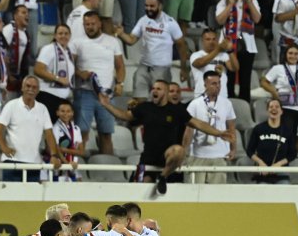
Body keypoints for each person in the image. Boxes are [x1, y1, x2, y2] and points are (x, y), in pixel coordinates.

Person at [99, 79, 234, 194]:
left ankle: (163, 177)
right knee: (141, 189)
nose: (154, 91)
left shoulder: (176, 110)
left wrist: (219, 133)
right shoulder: (145, 107)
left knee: (179, 151)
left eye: (158, 89)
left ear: (165, 92)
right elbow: (124, 115)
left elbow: (197, 123)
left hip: (167, 157)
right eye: (153, 88)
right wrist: (106, 105)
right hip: (149, 157)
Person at [115, 0, 190, 102]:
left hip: (162, 69)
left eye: (152, 6)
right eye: (146, 5)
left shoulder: (170, 23)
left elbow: (181, 45)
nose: (148, 8)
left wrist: (184, 68)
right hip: (144, 66)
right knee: (138, 102)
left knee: (160, 103)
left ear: (160, 5)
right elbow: (131, 40)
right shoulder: (143, 20)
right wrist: (121, 34)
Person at [73, 11, 125, 155]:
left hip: (106, 94)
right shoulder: (77, 42)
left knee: (106, 133)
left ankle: (107, 169)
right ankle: (78, 169)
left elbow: (120, 66)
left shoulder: (112, 41)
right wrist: (80, 73)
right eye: (86, 24)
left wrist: (120, 83)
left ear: (100, 23)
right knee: (81, 134)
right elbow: (70, 65)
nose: (90, 27)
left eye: (92, 24)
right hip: (84, 92)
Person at [0, 75, 58, 182]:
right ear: (22, 88)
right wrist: (3, 147)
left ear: (38, 90)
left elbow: (49, 134)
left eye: (34, 87)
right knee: (11, 196)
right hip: (12, 161)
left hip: (34, 163)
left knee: (31, 198)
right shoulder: (11, 105)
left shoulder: (42, 109)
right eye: (28, 86)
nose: (31, 89)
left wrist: (54, 155)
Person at [182, 71, 237, 184]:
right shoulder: (195, 104)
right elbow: (189, 130)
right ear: (205, 85)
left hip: (219, 154)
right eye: (213, 83)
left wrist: (233, 148)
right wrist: (184, 152)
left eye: (219, 83)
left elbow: (231, 127)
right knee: (195, 192)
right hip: (198, 155)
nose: (217, 86)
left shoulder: (227, 103)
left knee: (217, 194)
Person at [215, 0, 262, 101]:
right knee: (228, 80)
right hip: (227, 44)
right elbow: (219, 20)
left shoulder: (252, 1)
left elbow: (257, 19)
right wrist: (230, 4)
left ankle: (243, 107)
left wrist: (250, 2)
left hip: (247, 44)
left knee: (245, 81)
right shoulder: (223, 2)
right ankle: (228, 107)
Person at [260, 45, 298, 136]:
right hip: (285, 108)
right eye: (290, 53)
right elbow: (263, 82)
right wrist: (274, 92)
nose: (293, 56)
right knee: (286, 136)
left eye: (296, 54)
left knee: (297, 138)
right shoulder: (278, 68)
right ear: (285, 55)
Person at [247, 98, 296, 184]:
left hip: (281, 172)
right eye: (271, 107)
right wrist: (261, 163)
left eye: (277, 107)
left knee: (284, 191)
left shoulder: (287, 131)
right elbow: (250, 151)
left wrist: (278, 164)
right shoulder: (259, 129)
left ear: (281, 111)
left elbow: (292, 154)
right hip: (263, 172)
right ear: (267, 111)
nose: (274, 109)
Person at [35, 24, 75, 122]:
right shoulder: (49, 49)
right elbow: (38, 70)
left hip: (61, 99)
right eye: (60, 33)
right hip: (48, 96)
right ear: (55, 36)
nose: (63, 36)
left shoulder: (68, 53)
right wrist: (58, 79)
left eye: (66, 33)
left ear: (70, 36)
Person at [190, 28, 238, 99]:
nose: (211, 42)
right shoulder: (196, 55)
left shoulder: (223, 55)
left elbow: (235, 68)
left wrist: (230, 50)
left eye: (214, 39)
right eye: (208, 39)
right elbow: (200, 63)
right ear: (202, 41)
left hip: (222, 97)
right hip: (202, 97)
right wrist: (218, 50)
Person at [47, 101, 85, 182]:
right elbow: (56, 149)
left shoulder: (76, 129)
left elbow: (82, 152)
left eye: (68, 111)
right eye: (62, 111)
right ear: (57, 113)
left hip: (72, 165)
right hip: (59, 167)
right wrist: (67, 163)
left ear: (72, 113)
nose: (65, 114)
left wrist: (65, 150)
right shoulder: (55, 128)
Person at [2, 5, 32, 99]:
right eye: (23, 12)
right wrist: (9, 74)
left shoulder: (26, 34)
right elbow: (2, 54)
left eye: (27, 13)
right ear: (15, 16)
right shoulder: (9, 29)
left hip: (18, 79)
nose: (27, 15)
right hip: (7, 79)